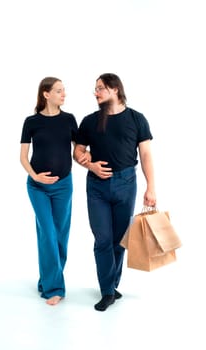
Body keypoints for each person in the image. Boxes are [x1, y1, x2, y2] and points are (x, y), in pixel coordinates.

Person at [73, 73, 156, 311]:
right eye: (95, 88)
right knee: (102, 240)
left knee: (120, 241)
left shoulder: (137, 119)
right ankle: (107, 291)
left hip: (126, 183)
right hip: (96, 187)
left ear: (115, 89)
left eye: (100, 88)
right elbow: (77, 152)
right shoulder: (89, 121)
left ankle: (111, 283)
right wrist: (90, 164)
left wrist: (151, 186)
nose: (95, 92)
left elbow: (147, 155)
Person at [20, 77, 78, 306]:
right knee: (48, 234)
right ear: (46, 94)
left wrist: (89, 159)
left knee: (61, 236)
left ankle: (47, 279)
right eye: (59, 91)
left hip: (64, 185)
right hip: (37, 187)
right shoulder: (31, 122)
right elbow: (23, 157)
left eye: (64, 91)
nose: (64, 94)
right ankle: (54, 288)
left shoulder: (69, 120)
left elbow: (80, 149)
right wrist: (36, 176)